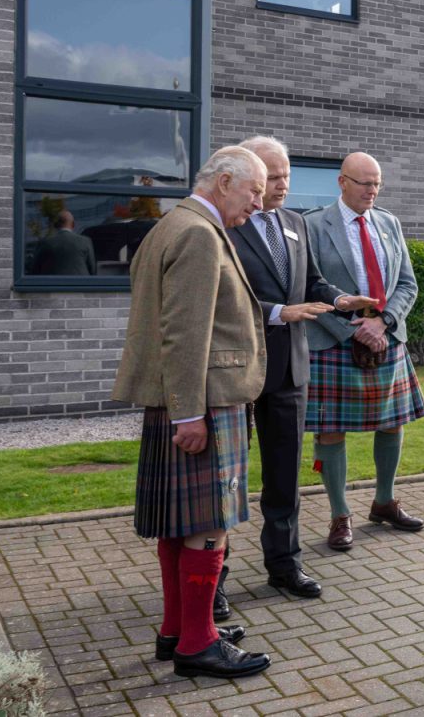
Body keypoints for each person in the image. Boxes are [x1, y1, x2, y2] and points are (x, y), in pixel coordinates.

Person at [111, 146, 272, 679]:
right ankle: (197, 644)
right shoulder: (200, 234)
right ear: (225, 181)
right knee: (209, 524)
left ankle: (178, 629)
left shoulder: (169, 224)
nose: (259, 201)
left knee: (178, 525)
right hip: (203, 399)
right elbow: (184, 331)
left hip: (183, 398)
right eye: (254, 190)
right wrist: (188, 415)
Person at [222, 137, 378, 604]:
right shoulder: (226, 225)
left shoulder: (295, 223)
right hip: (235, 367)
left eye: (286, 174)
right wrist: (276, 312)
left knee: (285, 475)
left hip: (290, 367)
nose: (282, 185)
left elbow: (310, 280)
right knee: (226, 477)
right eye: (272, 176)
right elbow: (225, 296)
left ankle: (285, 565)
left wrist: (338, 299)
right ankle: (213, 578)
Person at [303, 152, 424, 551]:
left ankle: (385, 502)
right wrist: (351, 329)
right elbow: (309, 287)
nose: (372, 191)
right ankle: (340, 515)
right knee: (330, 429)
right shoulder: (312, 225)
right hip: (335, 341)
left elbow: (407, 284)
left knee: (392, 422)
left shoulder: (389, 223)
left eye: (377, 183)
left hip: (386, 337)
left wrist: (383, 323)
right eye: (364, 183)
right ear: (342, 182)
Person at [31, 209, 97, 275]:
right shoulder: (85, 241)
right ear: (73, 224)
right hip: (79, 284)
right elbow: (93, 270)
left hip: (53, 284)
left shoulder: (45, 243)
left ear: (56, 225)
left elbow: (35, 270)